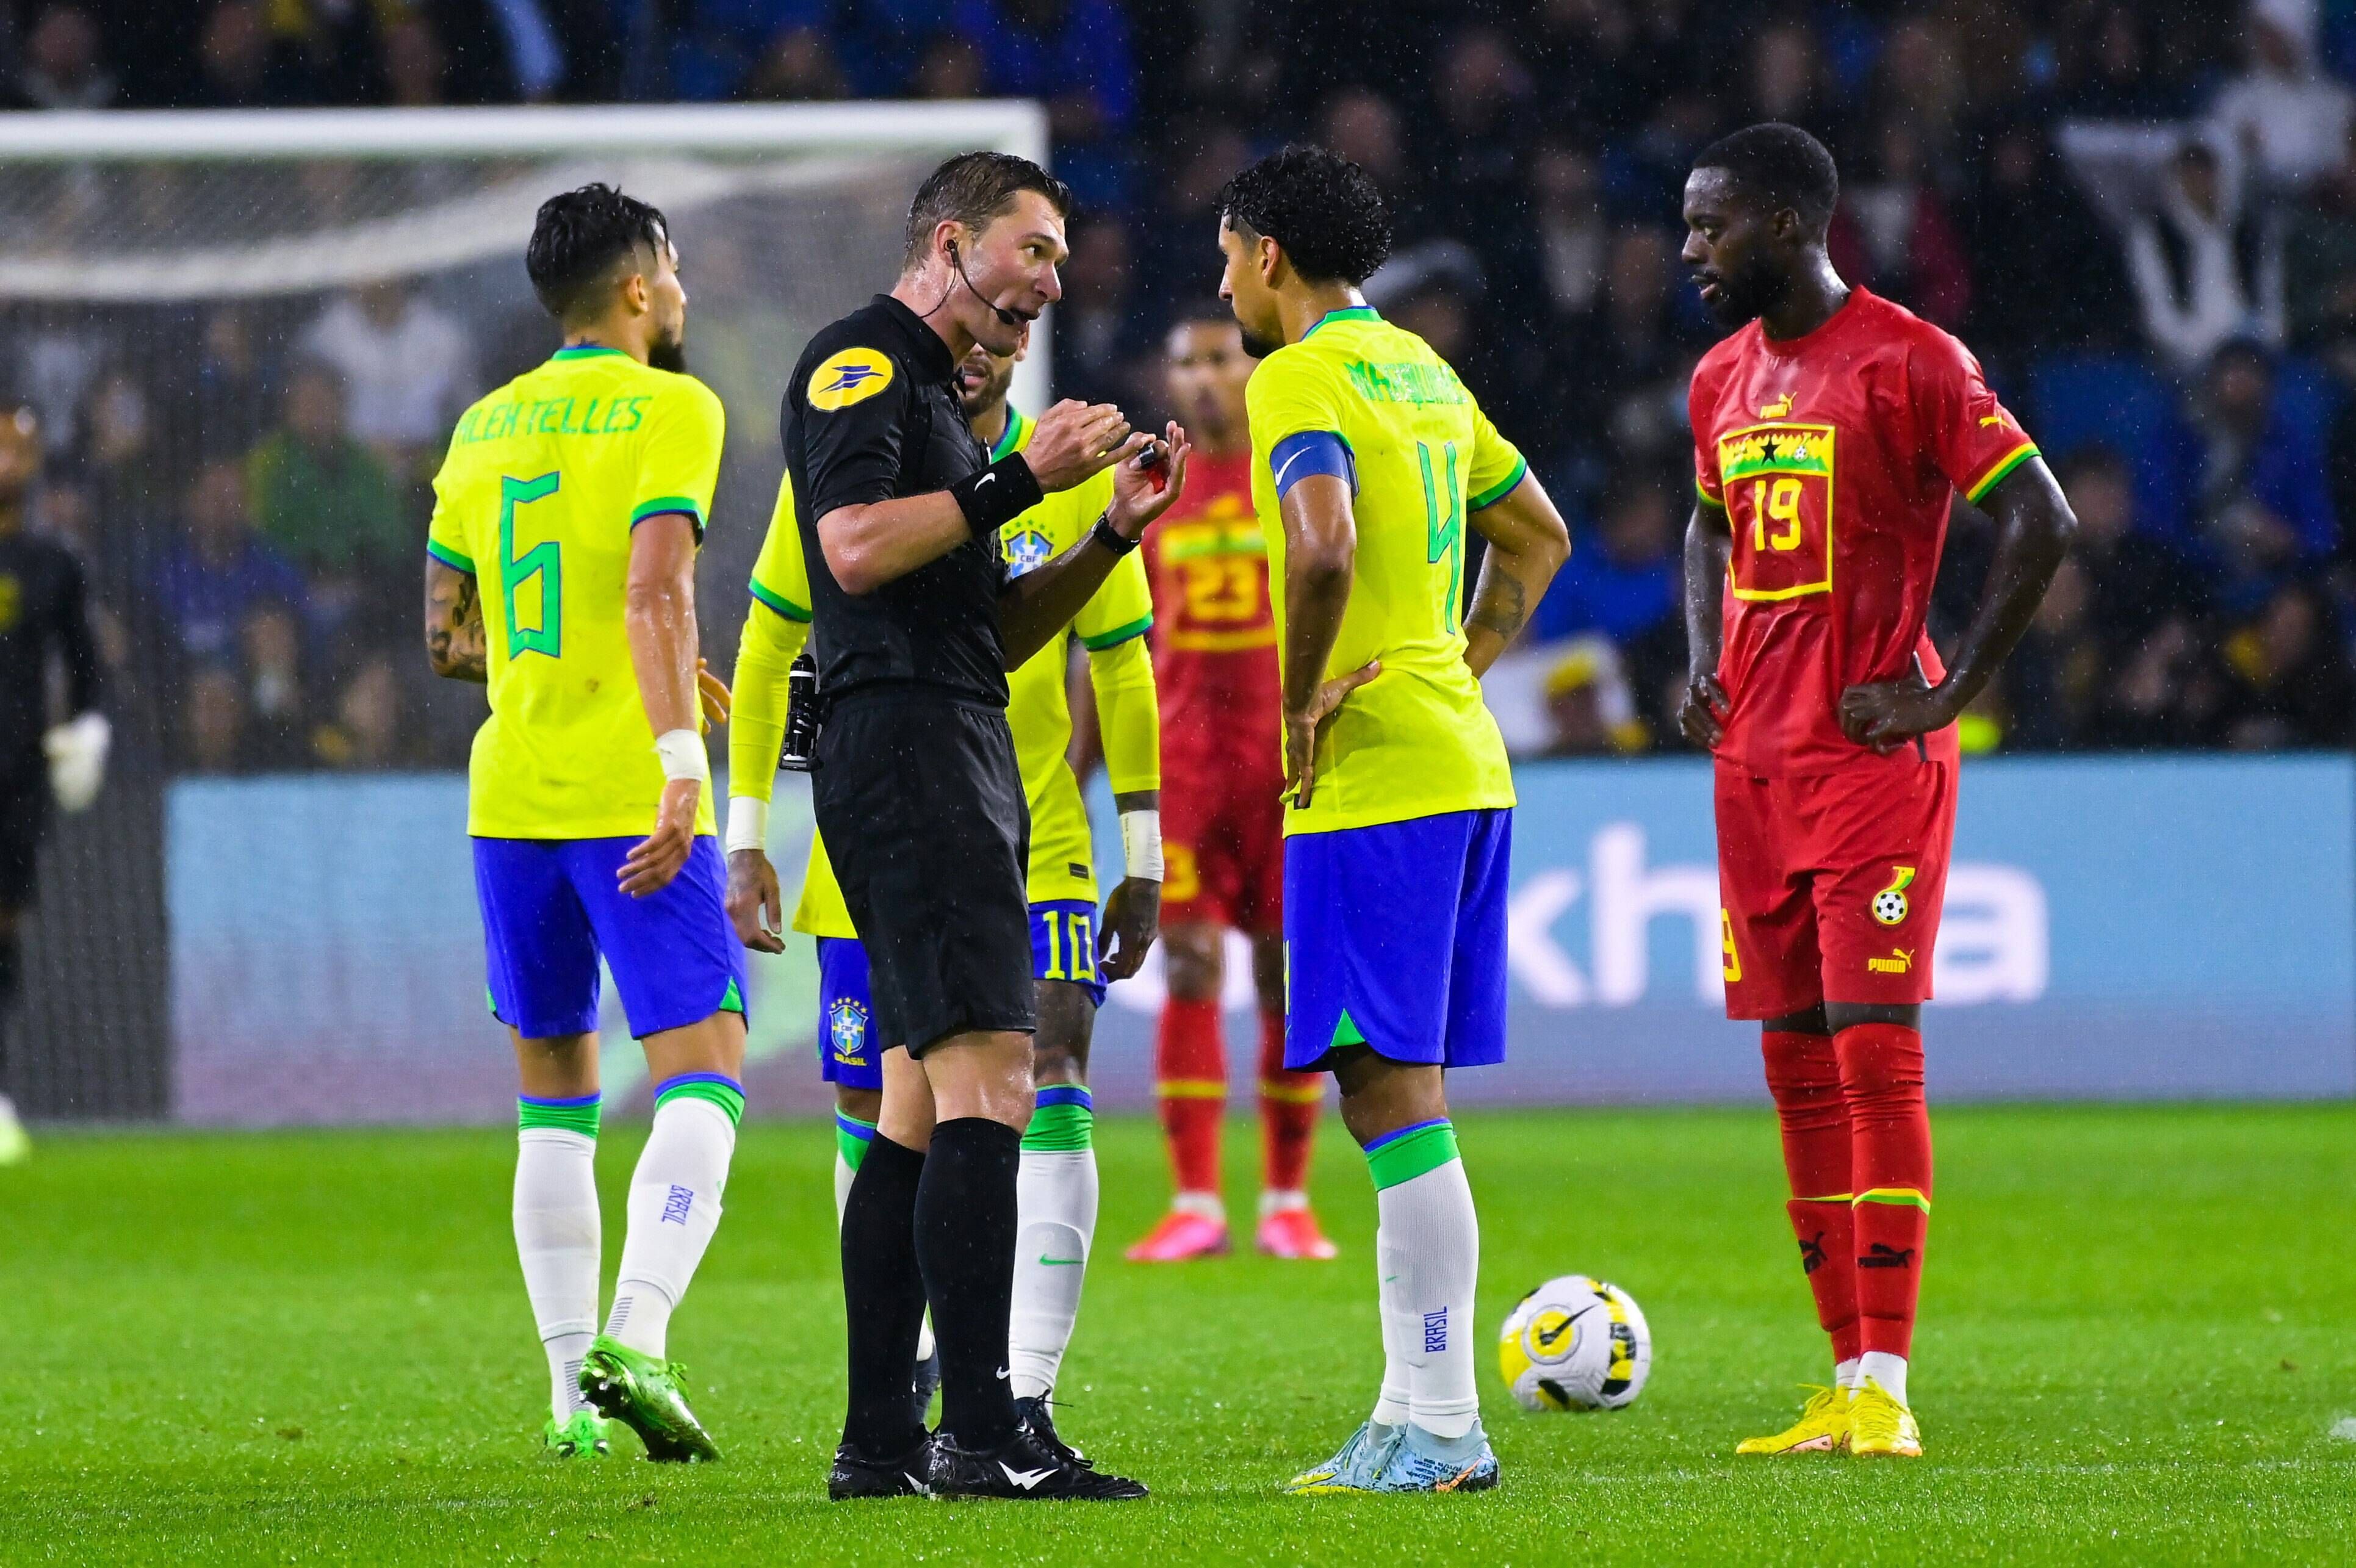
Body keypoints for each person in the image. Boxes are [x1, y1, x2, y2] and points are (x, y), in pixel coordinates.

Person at [779, 149, 1189, 1503]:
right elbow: (845, 549)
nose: (1051, 283)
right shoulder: (863, 366)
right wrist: (1020, 478)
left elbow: (986, 633)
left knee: (910, 1108)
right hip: (908, 749)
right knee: (996, 1084)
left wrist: (1106, 537)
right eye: (1033, 250)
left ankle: (879, 1441)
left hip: (938, 727)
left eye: (1060, 260)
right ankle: (982, 1431)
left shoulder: (944, 412)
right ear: (951, 242)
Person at [1677, 123, 2075, 1461]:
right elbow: (1704, 519)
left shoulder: (1912, 361)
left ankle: (1888, 1388)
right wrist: (1697, 658)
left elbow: (2041, 518)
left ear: (1788, 224)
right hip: (1755, 765)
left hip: (1866, 761)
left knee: (1869, 1046)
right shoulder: (1719, 377)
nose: (1688, 252)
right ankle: (1839, 1377)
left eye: (1709, 227)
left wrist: (1947, 687)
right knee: (1791, 1062)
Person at [1216, 145, 1569, 1495]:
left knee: (1386, 1094)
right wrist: (1456, 666)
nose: (1223, 280)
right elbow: (1535, 536)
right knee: (1392, 1091)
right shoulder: (1422, 368)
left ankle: (1440, 1423)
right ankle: (1404, 1410)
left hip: (1375, 780)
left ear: (1262, 255)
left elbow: (1318, 546)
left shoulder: (1294, 376)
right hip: (1460, 758)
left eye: (1223, 253)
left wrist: (1299, 703)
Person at [422, 184, 744, 1465]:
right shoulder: (675, 406)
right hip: (632, 794)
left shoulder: (483, 423)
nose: (682, 293)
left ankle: (568, 1403)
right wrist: (677, 754)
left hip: (510, 798)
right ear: (635, 287)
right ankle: (640, 1335)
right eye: (673, 272)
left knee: (554, 1091)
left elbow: (448, 638)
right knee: (704, 1068)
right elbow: (656, 587)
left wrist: (553, 678)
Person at [1125, 309, 1336, 1264]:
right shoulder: (1150, 491)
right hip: (1185, 770)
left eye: (1221, 357)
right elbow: (1117, 644)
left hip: (1282, 768)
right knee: (1191, 965)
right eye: (1187, 361)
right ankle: (1197, 1200)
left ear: (1248, 369)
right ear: (1167, 380)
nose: (1206, 377)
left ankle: (1287, 1198)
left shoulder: (1290, 474)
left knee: (1282, 974)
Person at [0, 403, 107, 1165]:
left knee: (3, 930)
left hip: (12, 774)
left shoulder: (51, 562)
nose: (7, 457)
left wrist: (89, 732)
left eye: (19, 444)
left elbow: (86, 669)